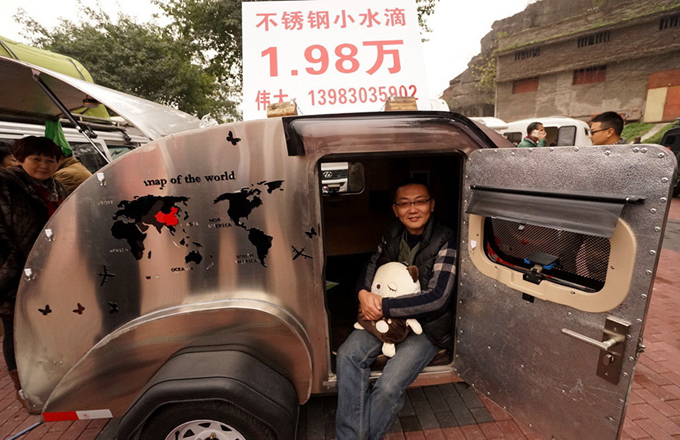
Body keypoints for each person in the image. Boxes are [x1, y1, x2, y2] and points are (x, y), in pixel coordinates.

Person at [335, 180, 457, 440]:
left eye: (420, 201)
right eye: (404, 203)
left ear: (431, 205)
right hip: (385, 318)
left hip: (427, 325)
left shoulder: (446, 238)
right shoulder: (392, 234)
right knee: (347, 355)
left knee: (389, 386)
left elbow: (438, 298)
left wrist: (384, 307)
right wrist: (363, 293)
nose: (412, 209)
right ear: (395, 209)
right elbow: (371, 266)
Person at [0, 136, 68, 412]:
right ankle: (26, 390)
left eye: (50, 160)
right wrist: (14, 267)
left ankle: (52, 379)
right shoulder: (6, 184)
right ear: (20, 160)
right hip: (14, 271)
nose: (43, 165)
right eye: (36, 159)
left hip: (52, 271)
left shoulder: (57, 187)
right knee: (16, 331)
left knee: (46, 325)